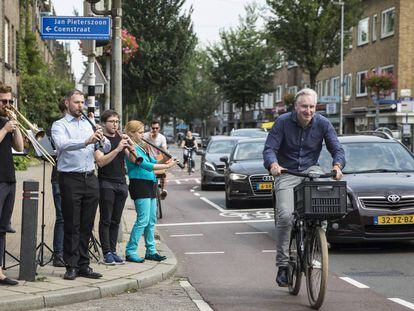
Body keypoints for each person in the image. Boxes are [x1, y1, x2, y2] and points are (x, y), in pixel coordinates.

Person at [262, 88, 345, 287]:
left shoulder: (323, 123)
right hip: (287, 172)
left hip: (311, 170)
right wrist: (273, 165)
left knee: (323, 204)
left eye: (311, 107)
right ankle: (283, 266)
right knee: (285, 215)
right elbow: (269, 149)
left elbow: (337, 148)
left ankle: (318, 239)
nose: (308, 111)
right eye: (304, 107)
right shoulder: (282, 122)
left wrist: (337, 165)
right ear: (295, 107)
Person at [51, 89, 111, 280]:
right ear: (67, 103)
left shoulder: (88, 123)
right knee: (72, 223)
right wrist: (86, 141)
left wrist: (102, 140)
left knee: (87, 224)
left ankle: (84, 265)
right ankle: (71, 265)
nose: (80, 106)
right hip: (70, 178)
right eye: (76, 102)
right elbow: (62, 145)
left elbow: (105, 146)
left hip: (90, 177)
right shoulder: (59, 125)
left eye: (82, 102)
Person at [124, 120, 177, 263]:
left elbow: (154, 161)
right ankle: (130, 250)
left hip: (150, 184)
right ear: (131, 133)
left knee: (151, 220)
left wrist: (165, 159)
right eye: (140, 132)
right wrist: (169, 166)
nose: (143, 135)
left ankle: (151, 250)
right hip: (139, 184)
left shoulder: (141, 147)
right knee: (143, 219)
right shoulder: (130, 148)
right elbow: (146, 166)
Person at [95, 110, 131, 265]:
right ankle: (106, 252)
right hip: (106, 183)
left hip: (121, 183)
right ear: (104, 123)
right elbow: (100, 161)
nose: (115, 124)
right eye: (112, 121)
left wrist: (131, 144)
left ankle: (114, 251)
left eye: (117, 121)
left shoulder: (121, 138)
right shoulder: (100, 140)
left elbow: (132, 158)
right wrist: (117, 149)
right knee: (106, 220)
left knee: (116, 220)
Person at [0, 83, 24, 285]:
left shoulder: (6, 120)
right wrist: (5, 128)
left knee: (2, 228)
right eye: (3, 101)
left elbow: (19, 146)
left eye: (10, 101)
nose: (7, 104)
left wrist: (14, 127)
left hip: (9, 177)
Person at [51, 98, 67, 267]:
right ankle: (58, 254)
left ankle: (68, 251)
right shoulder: (58, 126)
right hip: (59, 176)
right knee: (62, 216)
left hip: (75, 177)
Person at [143, 120, 168, 199]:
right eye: (153, 128)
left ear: (159, 128)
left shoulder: (162, 137)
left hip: (158, 158)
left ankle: (163, 190)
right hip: (148, 158)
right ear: (151, 128)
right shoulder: (145, 135)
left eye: (157, 128)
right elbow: (140, 144)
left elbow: (164, 148)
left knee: (163, 172)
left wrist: (166, 155)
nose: (155, 130)